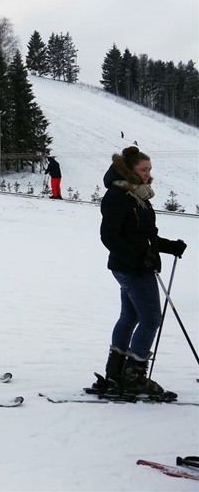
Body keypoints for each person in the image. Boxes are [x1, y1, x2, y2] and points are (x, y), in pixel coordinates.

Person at [88, 147, 187, 399]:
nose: (147, 174)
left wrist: (169, 246)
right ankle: (134, 378)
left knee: (130, 317)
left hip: (134, 266)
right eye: (143, 170)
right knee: (151, 319)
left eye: (149, 169)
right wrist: (137, 259)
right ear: (129, 170)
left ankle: (116, 374)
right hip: (132, 268)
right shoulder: (118, 196)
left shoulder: (137, 194)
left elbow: (142, 236)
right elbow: (109, 236)